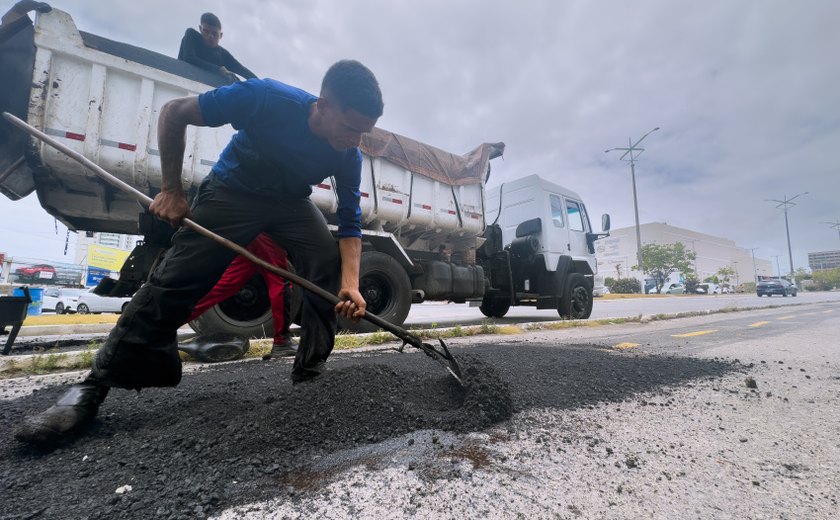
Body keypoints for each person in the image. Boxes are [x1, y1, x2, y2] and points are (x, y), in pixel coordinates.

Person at [16, 59, 384, 445]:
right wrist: (172, 190)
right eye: (350, 128)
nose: (355, 140)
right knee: (176, 278)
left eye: (364, 133)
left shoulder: (348, 155)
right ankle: (92, 388)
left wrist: (351, 284)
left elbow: (350, 220)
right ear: (323, 105)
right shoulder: (265, 97)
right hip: (233, 191)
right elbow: (175, 113)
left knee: (326, 264)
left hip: (290, 203)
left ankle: (311, 372)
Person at [187, 232, 297, 356]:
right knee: (280, 281)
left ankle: (170, 320)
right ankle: (282, 342)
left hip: (254, 230)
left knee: (228, 283)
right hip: (266, 229)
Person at [177, 12, 256, 82]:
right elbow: (189, 58)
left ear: (221, 35)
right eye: (206, 31)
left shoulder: (223, 54)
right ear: (200, 29)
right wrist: (220, 70)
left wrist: (264, 84)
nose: (210, 36)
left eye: (215, 34)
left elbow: (242, 70)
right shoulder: (192, 35)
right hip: (183, 79)